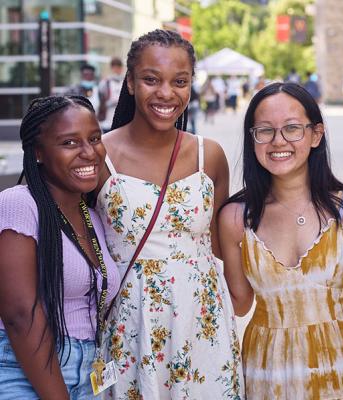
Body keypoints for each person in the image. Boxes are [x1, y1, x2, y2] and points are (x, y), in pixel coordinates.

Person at [94, 29, 244, 399]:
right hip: (131, 326)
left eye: (180, 81)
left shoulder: (209, 155)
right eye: (151, 79)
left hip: (202, 323)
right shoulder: (99, 156)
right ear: (129, 82)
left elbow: (222, 241)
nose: (166, 93)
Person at [218, 82, 343, 399]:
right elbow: (238, 305)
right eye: (265, 131)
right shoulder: (236, 219)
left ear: (316, 134)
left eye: (292, 128)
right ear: (252, 138)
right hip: (267, 374)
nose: (279, 141)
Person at [0, 95, 120, 399]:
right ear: (38, 152)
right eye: (69, 143)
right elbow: (19, 314)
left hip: (91, 368)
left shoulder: (92, 216)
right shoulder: (19, 205)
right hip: (25, 368)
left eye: (94, 138)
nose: (89, 152)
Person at [98, 57, 125, 132]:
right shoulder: (105, 83)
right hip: (108, 121)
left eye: (118, 67)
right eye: (115, 67)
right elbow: (101, 101)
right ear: (112, 68)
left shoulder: (126, 82)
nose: (117, 70)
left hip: (122, 122)